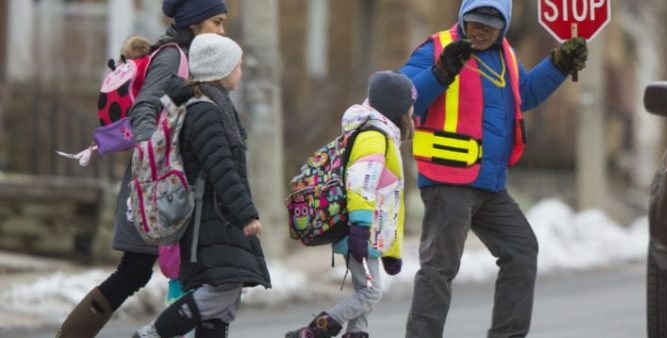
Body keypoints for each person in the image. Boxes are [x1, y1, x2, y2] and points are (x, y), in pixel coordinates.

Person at [399, 0, 588, 337]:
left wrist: (558, 65)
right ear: (463, 18)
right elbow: (402, 97)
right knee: (439, 268)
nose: (481, 29)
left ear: (504, 24)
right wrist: (440, 73)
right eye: (475, 21)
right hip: (448, 181)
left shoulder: (507, 56)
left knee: (521, 249)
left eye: (491, 23)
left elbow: (524, 95)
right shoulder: (438, 48)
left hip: (490, 185)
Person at [57, 1, 228, 337]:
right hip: (158, 181)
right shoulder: (173, 55)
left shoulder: (191, 56)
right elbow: (145, 108)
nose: (222, 30)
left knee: (208, 274)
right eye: (217, 22)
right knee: (136, 272)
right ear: (194, 23)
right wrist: (155, 155)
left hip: (174, 179)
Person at [134, 33, 270, 338]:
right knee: (221, 291)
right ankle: (151, 335)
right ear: (221, 70)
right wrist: (245, 213)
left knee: (225, 300)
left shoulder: (213, 107)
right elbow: (219, 166)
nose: (241, 71)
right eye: (238, 66)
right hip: (210, 219)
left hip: (218, 216)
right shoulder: (206, 111)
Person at [285, 71, 414, 338]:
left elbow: (389, 198)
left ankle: (357, 334)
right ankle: (314, 331)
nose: (413, 114)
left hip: (369, 231)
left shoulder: (381, 134)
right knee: (370, 292)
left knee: (363, 291)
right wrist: (361, 227)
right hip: (360, 229)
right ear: (397, 109)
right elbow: (361, 183)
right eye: (410, 108)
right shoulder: (373, 136)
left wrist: (393, 252)